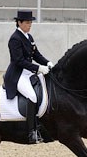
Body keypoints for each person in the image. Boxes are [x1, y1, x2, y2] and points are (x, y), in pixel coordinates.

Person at [4, 10, 54, 144]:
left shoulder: (29, 37)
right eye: (27, 22)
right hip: (17, 74)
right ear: (19, 23)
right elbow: (18, 61)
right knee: (32, 96)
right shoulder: (15, 39)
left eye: (30, 22)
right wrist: (38, 68)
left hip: (29, 72)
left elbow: (36, 55)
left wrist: (47, 63)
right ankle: (31, 132)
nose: (29, 24)